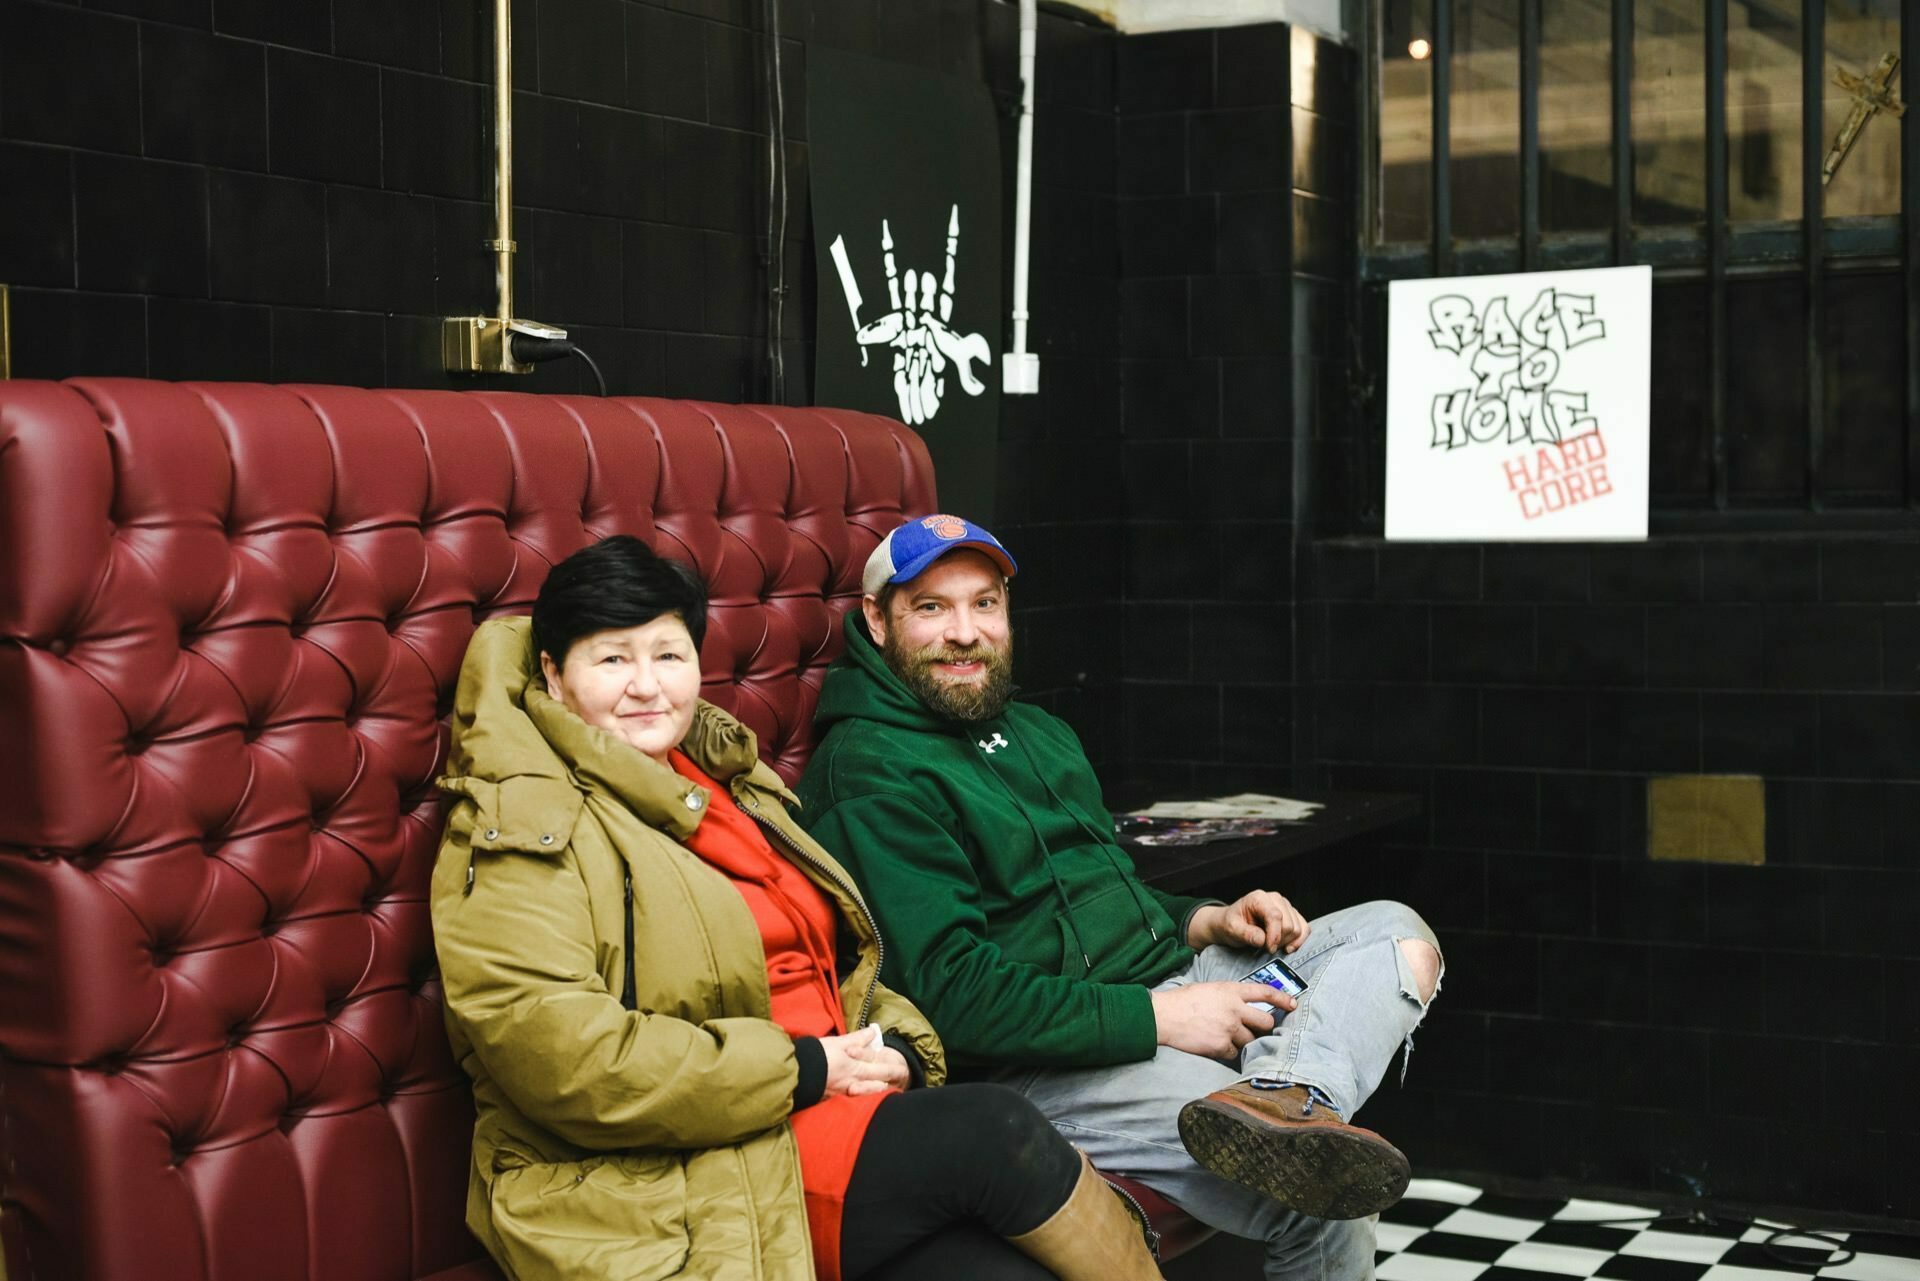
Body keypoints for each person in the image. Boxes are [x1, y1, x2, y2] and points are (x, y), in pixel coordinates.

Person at [430, 535, 1163, 1281]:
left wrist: (904, 1049)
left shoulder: (730, 784)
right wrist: (806, 1068)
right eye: (613, 659)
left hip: (815, 1118)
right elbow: (566, 1061)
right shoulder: (518, 827)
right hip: (667, 1168)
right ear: (555, 674)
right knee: (994, 1127)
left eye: (669, 655)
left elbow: (845, 957)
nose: (647, 686)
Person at [796, 514, 1446, 1281]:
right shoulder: (870, 767)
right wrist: (1162, 1018)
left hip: (1157, 990)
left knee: (1393, 935)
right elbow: (951, 995)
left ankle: (1286, 1096)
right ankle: (1289, 1117)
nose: (965, 632)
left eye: (985, 604)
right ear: (877, 620)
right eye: (932, 608)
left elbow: (1107, 891)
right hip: (1036, 1062)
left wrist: (1205, 918)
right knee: (1322, 1192)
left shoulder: (1036, 730)